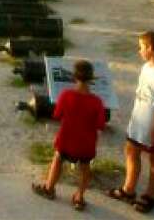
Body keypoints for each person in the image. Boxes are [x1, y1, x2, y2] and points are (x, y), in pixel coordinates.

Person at [108, 30, 154, 214]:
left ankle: (150, 196)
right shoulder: (146, 68)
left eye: (141, 47)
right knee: (131, 151)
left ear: (150, 48)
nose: (139, 51)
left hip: (153, 126)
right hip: (139, 122)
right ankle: (128, 190)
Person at [31, 59, 107, 212]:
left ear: (74, 77)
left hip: (67, 139)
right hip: (86, 143)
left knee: (58, 159)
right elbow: (100, 125)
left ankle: (49, 188)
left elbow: (57, 115)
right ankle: (79, 197)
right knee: (85, 167)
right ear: (91, 78)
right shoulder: (97, 101)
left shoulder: (66, 95)